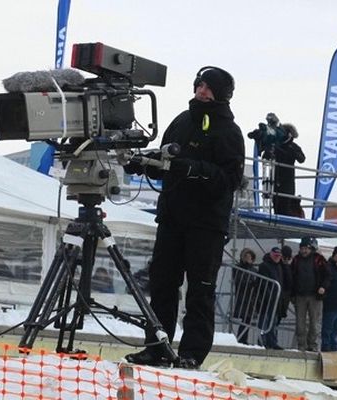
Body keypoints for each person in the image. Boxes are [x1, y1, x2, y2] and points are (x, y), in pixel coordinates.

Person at [123, 66, 245, 369]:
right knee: (162, 284)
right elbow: (167, 160)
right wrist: (144, 163)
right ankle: (157, 347)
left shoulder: (229, 131)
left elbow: (230, 179)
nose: (201, 92)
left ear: (222, 93)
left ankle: (192, 352)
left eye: (208, 88)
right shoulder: (181, 120)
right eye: (199, 86)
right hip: (172, 218)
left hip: (206, 224)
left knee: (200, 290)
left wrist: (193, 168)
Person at [291, 236, 329, 352]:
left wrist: (323, 287)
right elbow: (292, 276)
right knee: (300, 323)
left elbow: (327, 275)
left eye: (306, 248)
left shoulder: (319, 259)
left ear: (311, 248)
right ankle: (301, 345)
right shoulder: (296, 260)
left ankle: (312, 345)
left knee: (314, 323)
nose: (304, 251)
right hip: (300, 296)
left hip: (315, 296)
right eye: (302, 248)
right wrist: (293, 294)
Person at [272, 123, 306, 217]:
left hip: (288, 181)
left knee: (286, 204)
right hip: (277, 179)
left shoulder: (294, 146)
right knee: (276, 204)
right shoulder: (277, 144)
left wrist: (290, 149)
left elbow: (302, 159)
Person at [257, 247, 285, 349]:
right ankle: (262, 341)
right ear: (271, 254)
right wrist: (269, 295)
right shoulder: (264, 266)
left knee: (273, 322)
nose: (277, 258)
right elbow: (263, 283)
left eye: (279, 256)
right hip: (266, 299)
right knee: (265, 321)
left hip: (276, 299)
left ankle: (272, 342)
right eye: (275, 255)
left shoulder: (279, 267)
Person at [233, 247, 257, 345]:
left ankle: (243, 338)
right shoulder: (238, 268)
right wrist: (251, 282)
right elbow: (239, 280)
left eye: (250, 257)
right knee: (244, 317)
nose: (248, 259)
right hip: (242, 296)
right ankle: (241, 338)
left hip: (251, 297)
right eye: (246, 256)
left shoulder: (254, 270)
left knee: (248, 319)